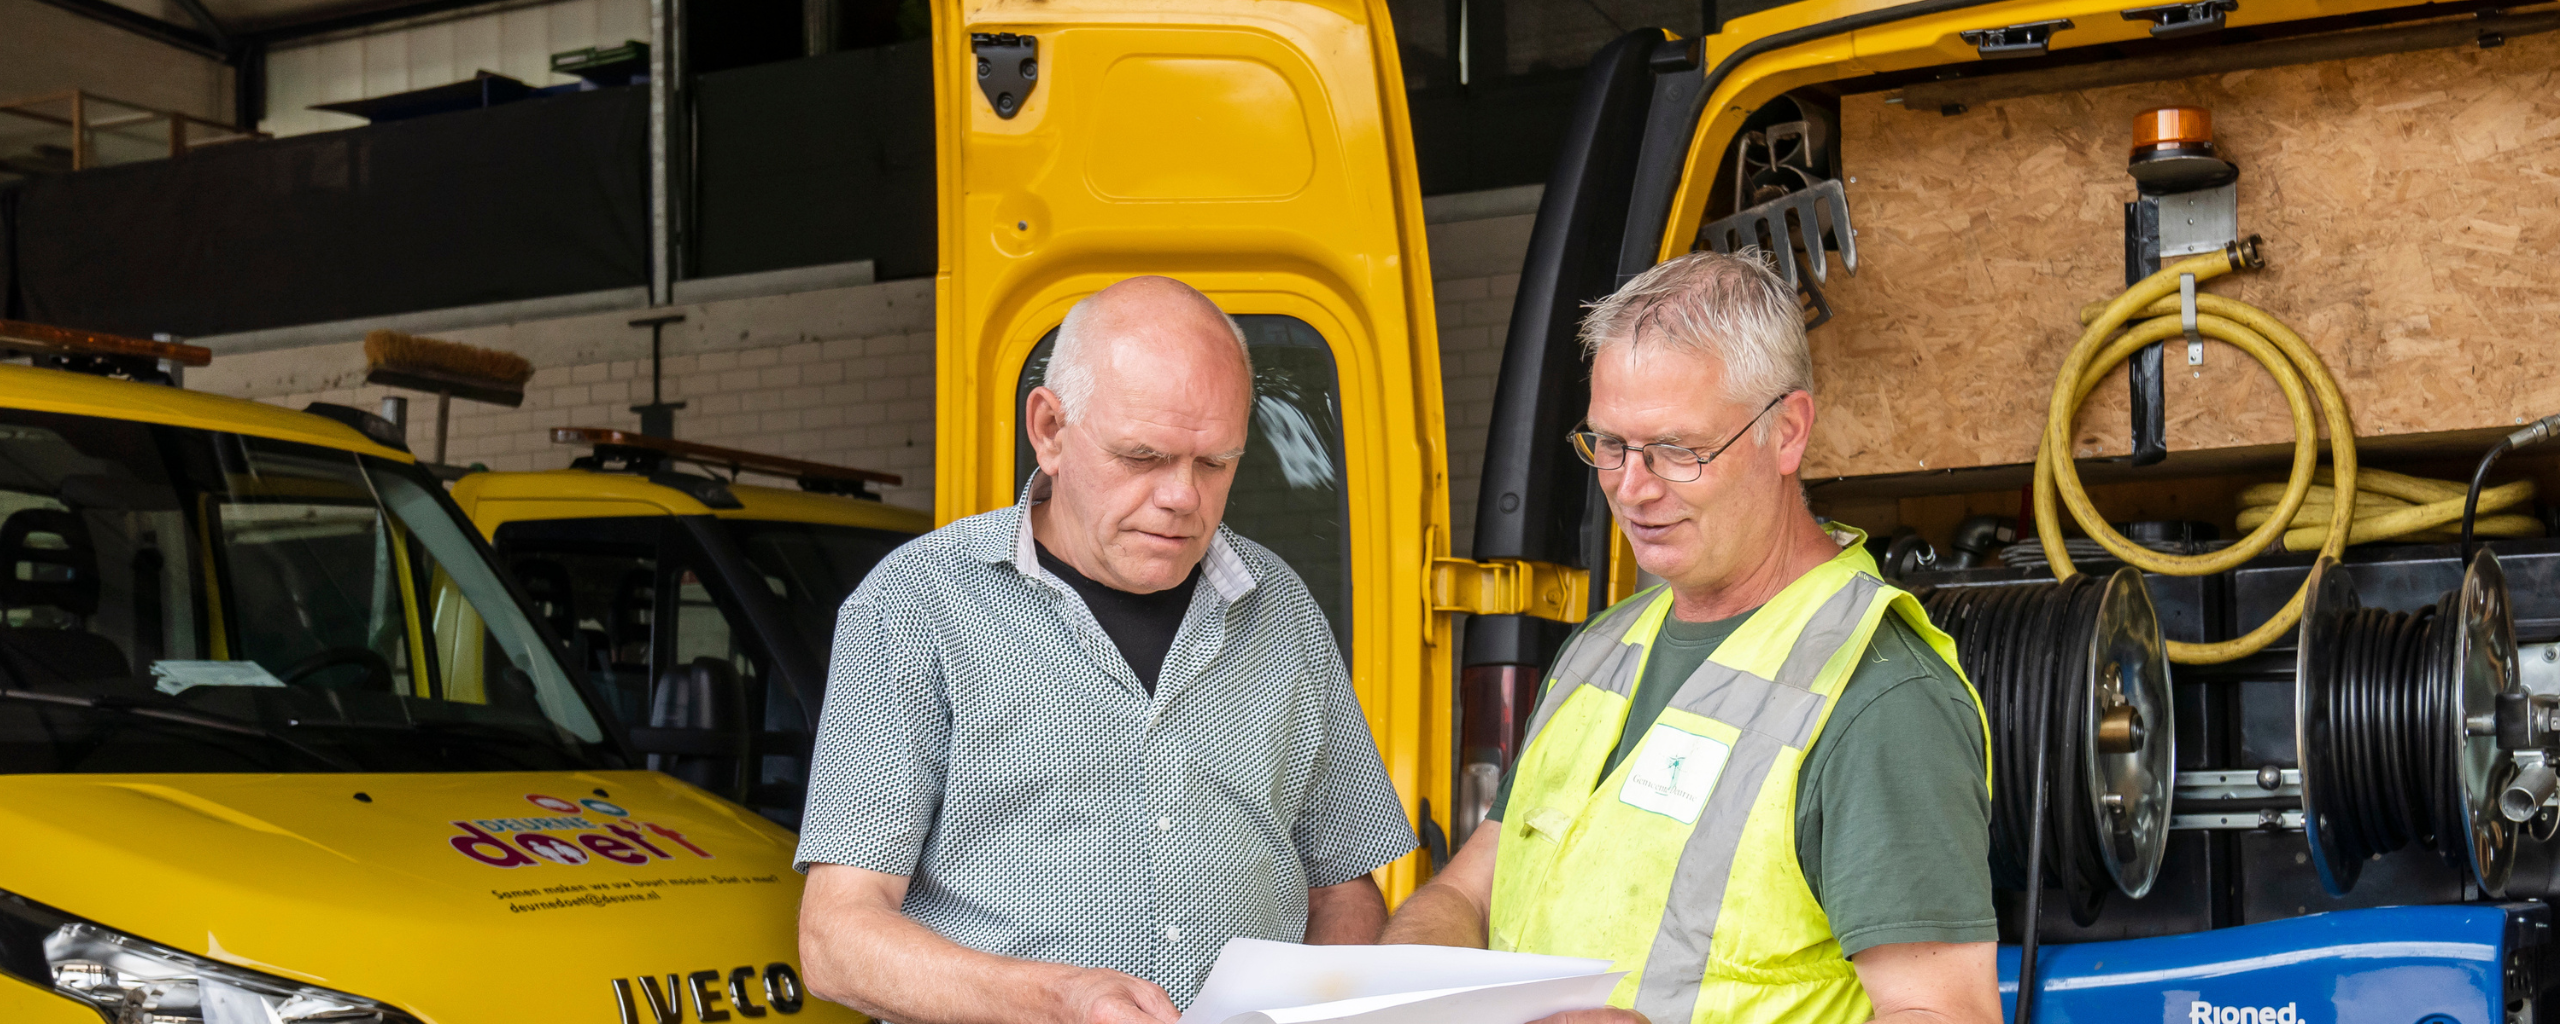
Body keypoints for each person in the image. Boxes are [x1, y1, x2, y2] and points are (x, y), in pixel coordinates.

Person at [1377, 251, 2001, 1024]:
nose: (1633, 488)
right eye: (1610, 444)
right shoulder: (1601, 649)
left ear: (1788, 433)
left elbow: (1944, 1015)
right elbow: (1466, 893)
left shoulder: (1876, 699)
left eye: (1678, 449)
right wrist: (1408, 994)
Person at [796, 276, 1417, 1024]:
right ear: (1050, 429)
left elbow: (1343, 885)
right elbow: (837, 936)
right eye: (1143, 457)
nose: (1183, 497)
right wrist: (1058, 1002)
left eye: (1215, 462)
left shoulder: (1278, 608)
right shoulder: (915, 606)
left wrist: (1313, 1007)